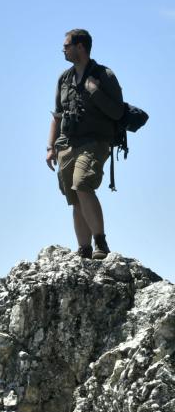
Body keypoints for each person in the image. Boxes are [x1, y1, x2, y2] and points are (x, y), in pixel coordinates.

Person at [46, 29, 124, 259]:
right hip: (67, 144)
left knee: (82, 185)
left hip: (95, 142)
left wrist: (95, 92)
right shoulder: (64, 78)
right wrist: (51, 147)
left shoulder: (104, 75)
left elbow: (118, 112)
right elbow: (57, 116)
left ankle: (100, 242)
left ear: (80, 47)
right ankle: (84, 249)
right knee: (74, 196)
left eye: (67, 45)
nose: (63, 49)